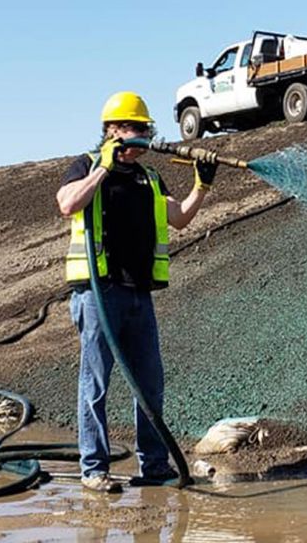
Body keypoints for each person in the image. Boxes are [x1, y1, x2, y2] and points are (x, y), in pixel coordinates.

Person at [55, 91, 216, 493]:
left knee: (150, 383)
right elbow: (66, 203)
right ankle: (94, 469)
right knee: (95, 384)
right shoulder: (86, 165)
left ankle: (155, 466)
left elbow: (179, 218)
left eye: (142, 130)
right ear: (111, 132)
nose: (137, 137)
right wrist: (103, 170)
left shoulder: (150, 178)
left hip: (138, 295)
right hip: (98, 293)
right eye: (129, 129)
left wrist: (202, 186)